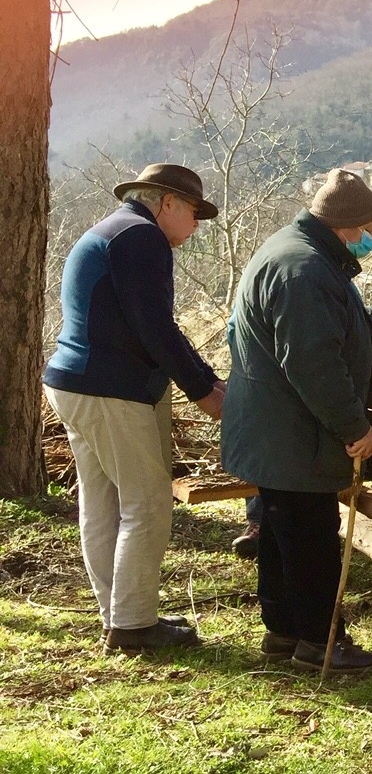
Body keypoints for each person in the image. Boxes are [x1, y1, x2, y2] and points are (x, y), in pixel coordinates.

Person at [222, 169, 372, 673]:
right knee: (311, 539)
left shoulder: (297, 251)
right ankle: (322, 642)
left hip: (275, 429)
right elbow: (313, 361)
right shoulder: (303, 270)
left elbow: (329, 319)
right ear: (345, 227)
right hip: (293, 433)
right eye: (368, 226)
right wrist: (355, 428)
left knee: (282, 534)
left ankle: (283, 632)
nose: (371, 236)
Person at [44, 163, 226, 652]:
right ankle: (133, 626)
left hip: (74, 382)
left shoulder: (113, 231)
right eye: (193, 212)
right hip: (112, 388)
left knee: (101, 503)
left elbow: (153, 324)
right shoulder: (141, 238)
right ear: (166, 202)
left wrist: (206, 377)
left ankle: (121, 615)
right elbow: (155, 329)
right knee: (146, 503)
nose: (195, 224)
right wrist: (204, 390)